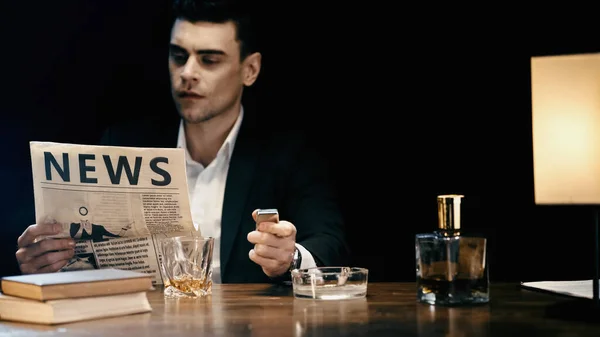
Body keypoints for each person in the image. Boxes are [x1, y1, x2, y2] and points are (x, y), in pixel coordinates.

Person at [15, 0, 350, 283]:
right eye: (179, 56)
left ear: (250, 70)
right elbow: (84, 260)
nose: (188, 72)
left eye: (209, 59)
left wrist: (289, 257)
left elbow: (329, 241)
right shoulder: (125, 142)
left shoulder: (288, 152)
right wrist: (47, 263)